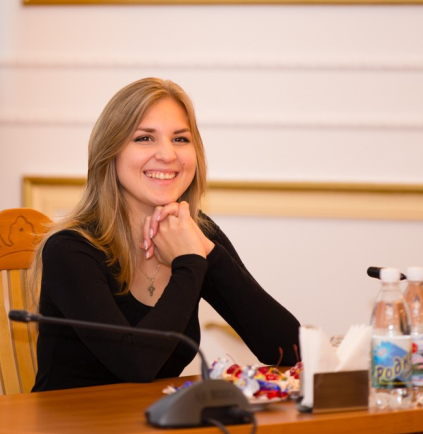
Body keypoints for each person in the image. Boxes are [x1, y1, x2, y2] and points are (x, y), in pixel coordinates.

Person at [30, 78, 300, 392]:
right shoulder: (70, 249)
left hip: (155, 413)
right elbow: (135, 364)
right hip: (73, 416)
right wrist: (190, 264)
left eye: (180, 139)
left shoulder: (194, 233)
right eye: (145, 138)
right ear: (110, 152)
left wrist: (209, 253)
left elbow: (290, 350)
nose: (168, 154)